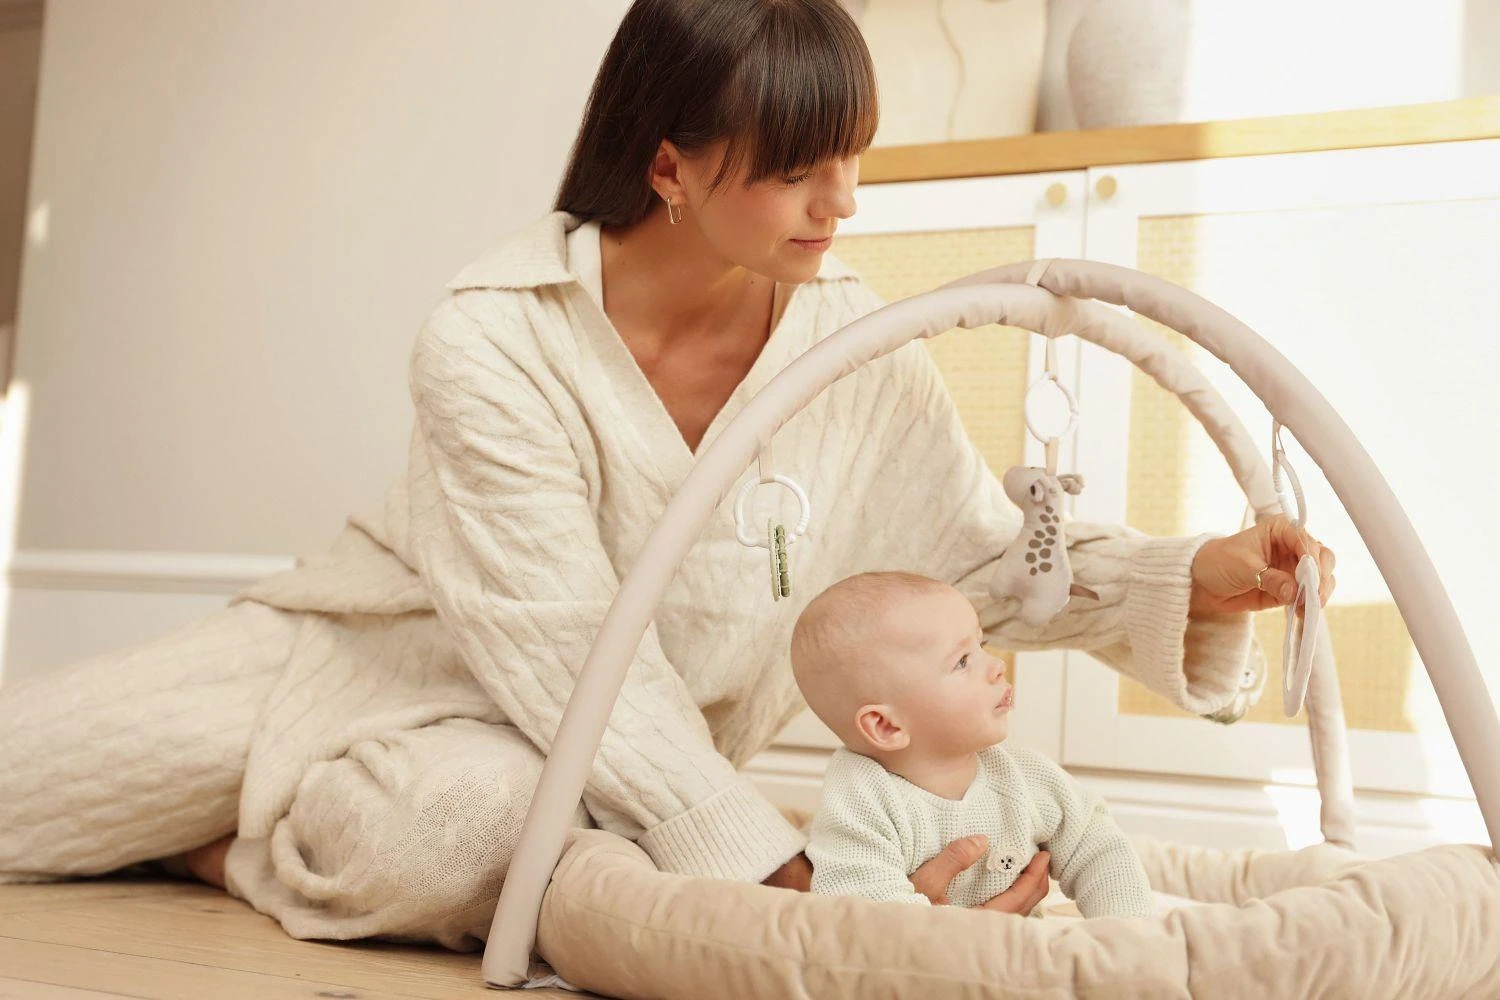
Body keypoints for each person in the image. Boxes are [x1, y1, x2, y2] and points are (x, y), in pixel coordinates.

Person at [0, 0, 1335, 950]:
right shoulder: (492, 339)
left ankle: (234, 848)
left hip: (549, 751)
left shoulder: (852, 345)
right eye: (799, 171)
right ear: (669, 169)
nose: (844, 203)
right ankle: (233, 807)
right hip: (368, 659)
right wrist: (789, 876)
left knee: (477, 833)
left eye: (851, 159)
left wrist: (1191, 576)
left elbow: (981, 560)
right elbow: (567, 643)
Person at [793, 571, 1155, 918]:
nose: (997, 666)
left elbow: (1102, 851)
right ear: (887, 725)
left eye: (982, 646)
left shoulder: (1027, 777)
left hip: (1020, 955)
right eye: (962, 661)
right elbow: (867, 917)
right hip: (929, 960)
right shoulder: (860, 801)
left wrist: (1126, 936)